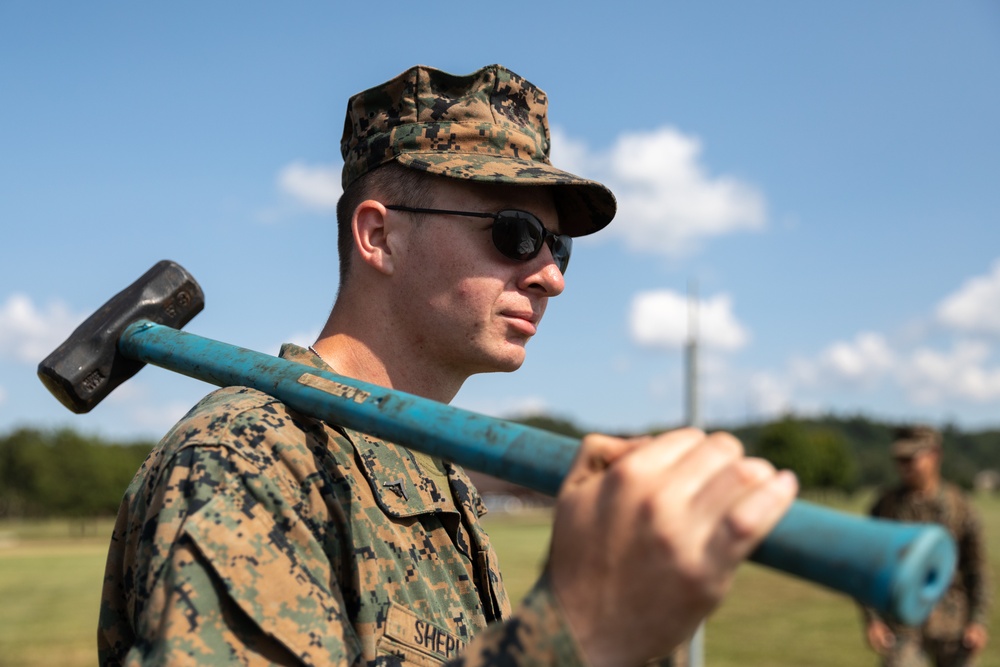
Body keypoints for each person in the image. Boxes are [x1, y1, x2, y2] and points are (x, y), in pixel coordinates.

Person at [97, 63, 798, 666]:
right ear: (379, 235)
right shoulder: (250, 458)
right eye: (515, 233)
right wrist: (575, 631)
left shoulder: (435, 471)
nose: (550, 276)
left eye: (559, 247)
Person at [863, 425, 991, 667]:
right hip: (901, 623)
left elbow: (977, 569)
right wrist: (873, 620)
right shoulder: (885, 506)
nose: (904, 465)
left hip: (953, 624)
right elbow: (867, 565)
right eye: (899, 459)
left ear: (935, 455)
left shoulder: (959, 505)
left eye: (911, 458)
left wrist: (977, 621)